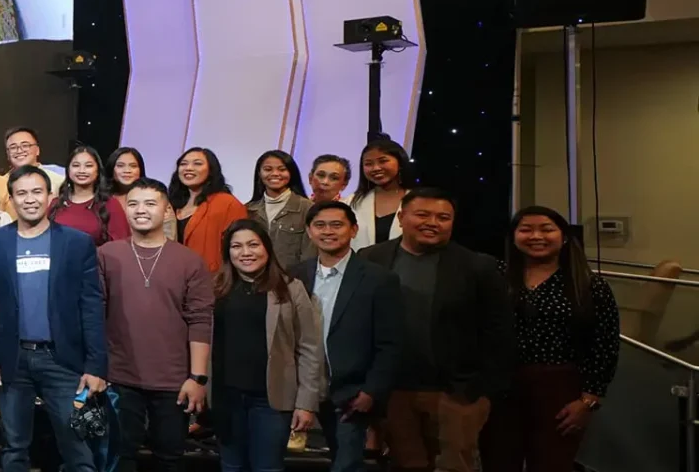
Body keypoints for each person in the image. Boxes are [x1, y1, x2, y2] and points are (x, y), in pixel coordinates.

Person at [358, 188, 513, 472]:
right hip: (394, 390)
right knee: (406, 464)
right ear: (401, 217)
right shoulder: (371, 258)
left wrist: (482, 392)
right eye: (423, 215)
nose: (433, 223)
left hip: (456, 392)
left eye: (443, 217)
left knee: (455, 466)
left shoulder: (478, 266)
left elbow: (499, 332)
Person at [0, 165, 107, 472]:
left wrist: (96, 365)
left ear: (50, 196)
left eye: (37, 192)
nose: (30, 199)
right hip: (11, 361)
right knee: (14, 449)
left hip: (65, 362)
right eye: (21, 193)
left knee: (78, 449)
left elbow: (92, 307)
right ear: (11, 199)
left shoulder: (77, 243)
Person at [482, 206, 620, 472]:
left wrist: (588, 402)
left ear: (564, 237)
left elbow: (605, 346)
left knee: (552, 464)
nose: (536, 236)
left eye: (546, 229)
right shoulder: (495, 277)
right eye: (526, 230)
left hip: (560, 387)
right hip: (500, 387)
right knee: (498, 462)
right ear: (513, 237)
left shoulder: (590, 285)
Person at [102, 178, 214, 472]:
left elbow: (200, 320)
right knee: (119, 456)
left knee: (170, 458)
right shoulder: (107, 254)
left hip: (174, 381)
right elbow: (93, 314)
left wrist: (198, 378)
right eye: (134, 204)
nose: (141, 210)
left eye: (150, 203)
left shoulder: (190, 261)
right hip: (119, 377)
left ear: (167, 211)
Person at [292, 200, 401, 472]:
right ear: (309, 231)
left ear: (353, 230)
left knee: (346, 465)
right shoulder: (296, 274)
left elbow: (390, 343)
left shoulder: (378, 278)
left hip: (351, 393)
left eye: (336, 225)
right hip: (304, 388)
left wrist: (371, 390)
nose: (328, 231)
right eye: (320, 225)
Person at [210, 220, 324, 472]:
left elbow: (309, 348)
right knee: (231, 467)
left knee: (267, 468)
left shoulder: (291, 288)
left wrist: (306, 403)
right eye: (236, 246)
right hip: (226, 399)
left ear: (267, 248)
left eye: (253, 245)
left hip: (271, 401)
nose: (246, 252)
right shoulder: (216, 288)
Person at [169, 147, 248, 273]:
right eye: (183, 164)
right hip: (172, 276)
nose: (188, 168)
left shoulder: (227, 203)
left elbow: (239, 246)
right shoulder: (170, 205)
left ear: (211, 170)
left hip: (210, 279)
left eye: (197, 164)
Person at [245, 150, 312, 270]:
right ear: (259, 173)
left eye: (282, 169)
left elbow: (309, 255)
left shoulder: (307, 208)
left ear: (291, 173)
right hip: (255, 276)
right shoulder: (248, 209)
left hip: (291, 278)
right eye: (268, 169)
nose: (275, 173)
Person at [51, 145, 131, 245]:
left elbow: (121, 245)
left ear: (97, 171)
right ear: (68, 170)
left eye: (88, 166)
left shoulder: (110, 204)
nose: (82, 171)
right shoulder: (56, 204)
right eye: (76, 165)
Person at [348, 140, 412, 251]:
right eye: (368, 164)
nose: (376, 168)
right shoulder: (350, 202)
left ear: (400, 163)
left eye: (383, 161)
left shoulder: (419, 200)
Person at [1, 127, 66, 191]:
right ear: (7, 154)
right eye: (13, 147)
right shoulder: (0, 183)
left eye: (25, 145)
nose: (19, 151)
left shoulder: (60, 176)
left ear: (37, 150)